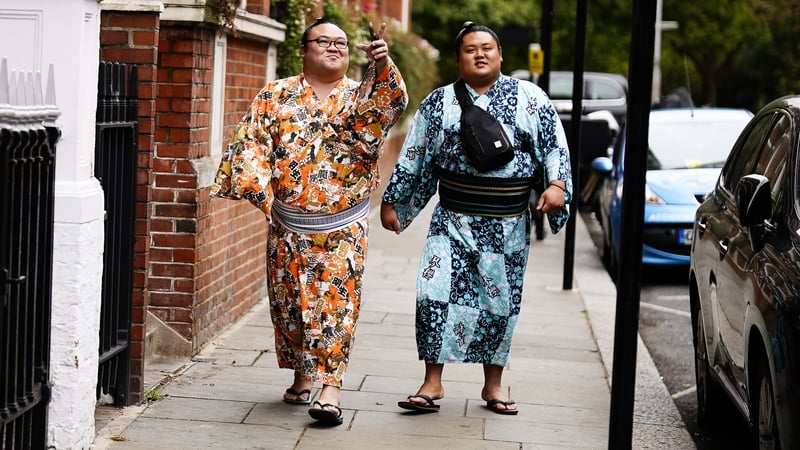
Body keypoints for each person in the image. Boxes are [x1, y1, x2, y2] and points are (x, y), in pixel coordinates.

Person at [211, 17, 408, 425]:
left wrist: (383, 66)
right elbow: (250, 148)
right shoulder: (276, 95)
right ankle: (304, 375)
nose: (334, 47)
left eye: (341, 43)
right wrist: (264, 196)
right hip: (288, 223)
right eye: (324, 40)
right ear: (303, 49)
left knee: (337, 305)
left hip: (342, 226)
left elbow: (390, 103)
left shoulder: (361, 95)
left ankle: (330, 388)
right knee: (291, 306)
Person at [380, 21, 571, 416]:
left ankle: (493, 385)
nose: (480, 54)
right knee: (433, 295)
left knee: (499, 303)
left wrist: (557, 186)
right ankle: (432, 383)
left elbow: (554, 145)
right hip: (450, 218)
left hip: (506, 224)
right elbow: (415, 154)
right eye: (470, 49)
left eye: (487, 48)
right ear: (457, 59)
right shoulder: (437, 103)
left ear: (501, 55)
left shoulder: (530, 99)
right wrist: (395, 201)